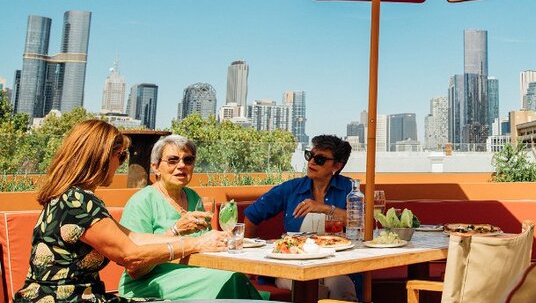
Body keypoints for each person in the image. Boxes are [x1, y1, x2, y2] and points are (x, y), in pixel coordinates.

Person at [13, 120, 227, 303]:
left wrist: (190, 236)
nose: (121, 164)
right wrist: (195, 243)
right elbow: (130, 256)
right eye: (120, 156)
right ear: (101, 157)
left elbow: (132, 238)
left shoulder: (70, 197)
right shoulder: (78, 201)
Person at [118, 134, 263, 300]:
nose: (181, 166)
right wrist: (175, 231)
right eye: (173, 160)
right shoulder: (143, 201)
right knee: (231, 280)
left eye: (188, 160)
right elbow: (135, 268)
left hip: (195, 274)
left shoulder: (193, 197)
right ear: (156, 167)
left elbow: (204, 245)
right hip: (149, 283)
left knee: (236, 278)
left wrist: (221, 240)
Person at [244, 134, 357, 301]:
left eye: (320, 159)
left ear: (337, 165)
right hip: (293, 264)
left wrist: (325, 209)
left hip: (335, 264)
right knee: (312, 288)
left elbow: (361, 220)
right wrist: (248, 263)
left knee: (340, 286)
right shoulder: (291, 188)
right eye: (310, 156)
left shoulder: (350, 189)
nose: (311, 162)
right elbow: (252, 215)